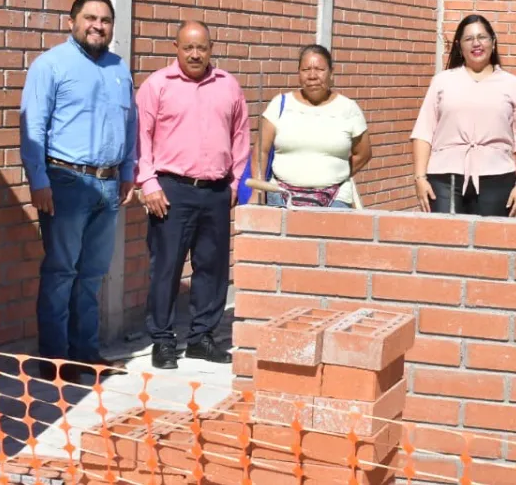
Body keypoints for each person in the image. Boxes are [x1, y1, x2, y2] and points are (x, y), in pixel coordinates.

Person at [20, 0, 136, 382]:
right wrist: (39, 180)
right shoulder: (51, 65)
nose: (97, 26)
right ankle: (54, 361)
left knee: (91, 276)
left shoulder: (120, 69)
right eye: (90, 18)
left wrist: (128, 172)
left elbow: (130, 126)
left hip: (108, 186)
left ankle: (85, 355)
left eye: (105, 20)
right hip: (65, 182)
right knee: (60, 273)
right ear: (72, 22)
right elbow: (33, 126)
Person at [135, 20, 249, 369]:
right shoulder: (157, 86)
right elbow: (140, 138)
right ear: (177, 48)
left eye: (202, 47)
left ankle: (201, 338)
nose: (196, 54)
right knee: (166, 268)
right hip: (171, 191)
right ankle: (163, 340)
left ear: (211, 48)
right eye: (189, 47)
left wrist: (233, 186)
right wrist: (148, 183)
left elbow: (241, 137)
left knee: (212, 270)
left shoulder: (228, 86)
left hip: (215, 191)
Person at [411, 14, 516, 216]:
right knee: (445, 241)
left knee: (489, 242)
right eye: (469, 39)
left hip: (497, 177)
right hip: (445, 177)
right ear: (460, 46)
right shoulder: (442, 82)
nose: (476, 44)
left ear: (493, 42)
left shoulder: (514, 85)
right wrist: (420, 178)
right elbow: (423, 131)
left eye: (482, 37)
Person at [251, 45, 372, 209]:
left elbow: (363, 154)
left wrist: (335, 173)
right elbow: (261, 151)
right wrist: (257, 191)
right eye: (305, 69)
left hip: (334, 199)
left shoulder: (348, 109)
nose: (312, 76)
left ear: (331, 72)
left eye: (320, 69)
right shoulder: (280, 104)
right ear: (298, 74)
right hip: (281, 197)